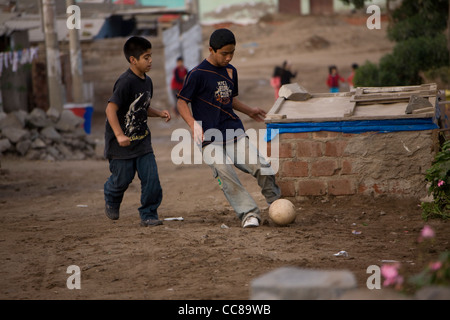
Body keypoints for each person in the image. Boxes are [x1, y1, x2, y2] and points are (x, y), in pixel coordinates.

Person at [177, 28, 281, 228]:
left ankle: (277, 203)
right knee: (225, 172)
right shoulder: (197, 74)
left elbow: (229, 99)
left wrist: (249, 110)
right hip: (208, 136)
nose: (228, 57)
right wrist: (192, 125)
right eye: (224, 53)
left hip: (233, 130)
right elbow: (182, 102)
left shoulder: (231, 71)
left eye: (232, 52)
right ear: (211, 50)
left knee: (262, 166)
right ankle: (249, 213)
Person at [104, 36, 171, 227]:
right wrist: (119, 135)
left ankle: (149, 213)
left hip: (142, 142)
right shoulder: (125, 82)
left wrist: (159, 113)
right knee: (122, 180)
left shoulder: (147, 82)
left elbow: (141, 107)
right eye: (146, 57)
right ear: (133, 60)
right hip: (121, 146)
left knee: (152, 179)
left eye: (151, 57)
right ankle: (111, 195)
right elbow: (110, 109)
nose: (150, 61)